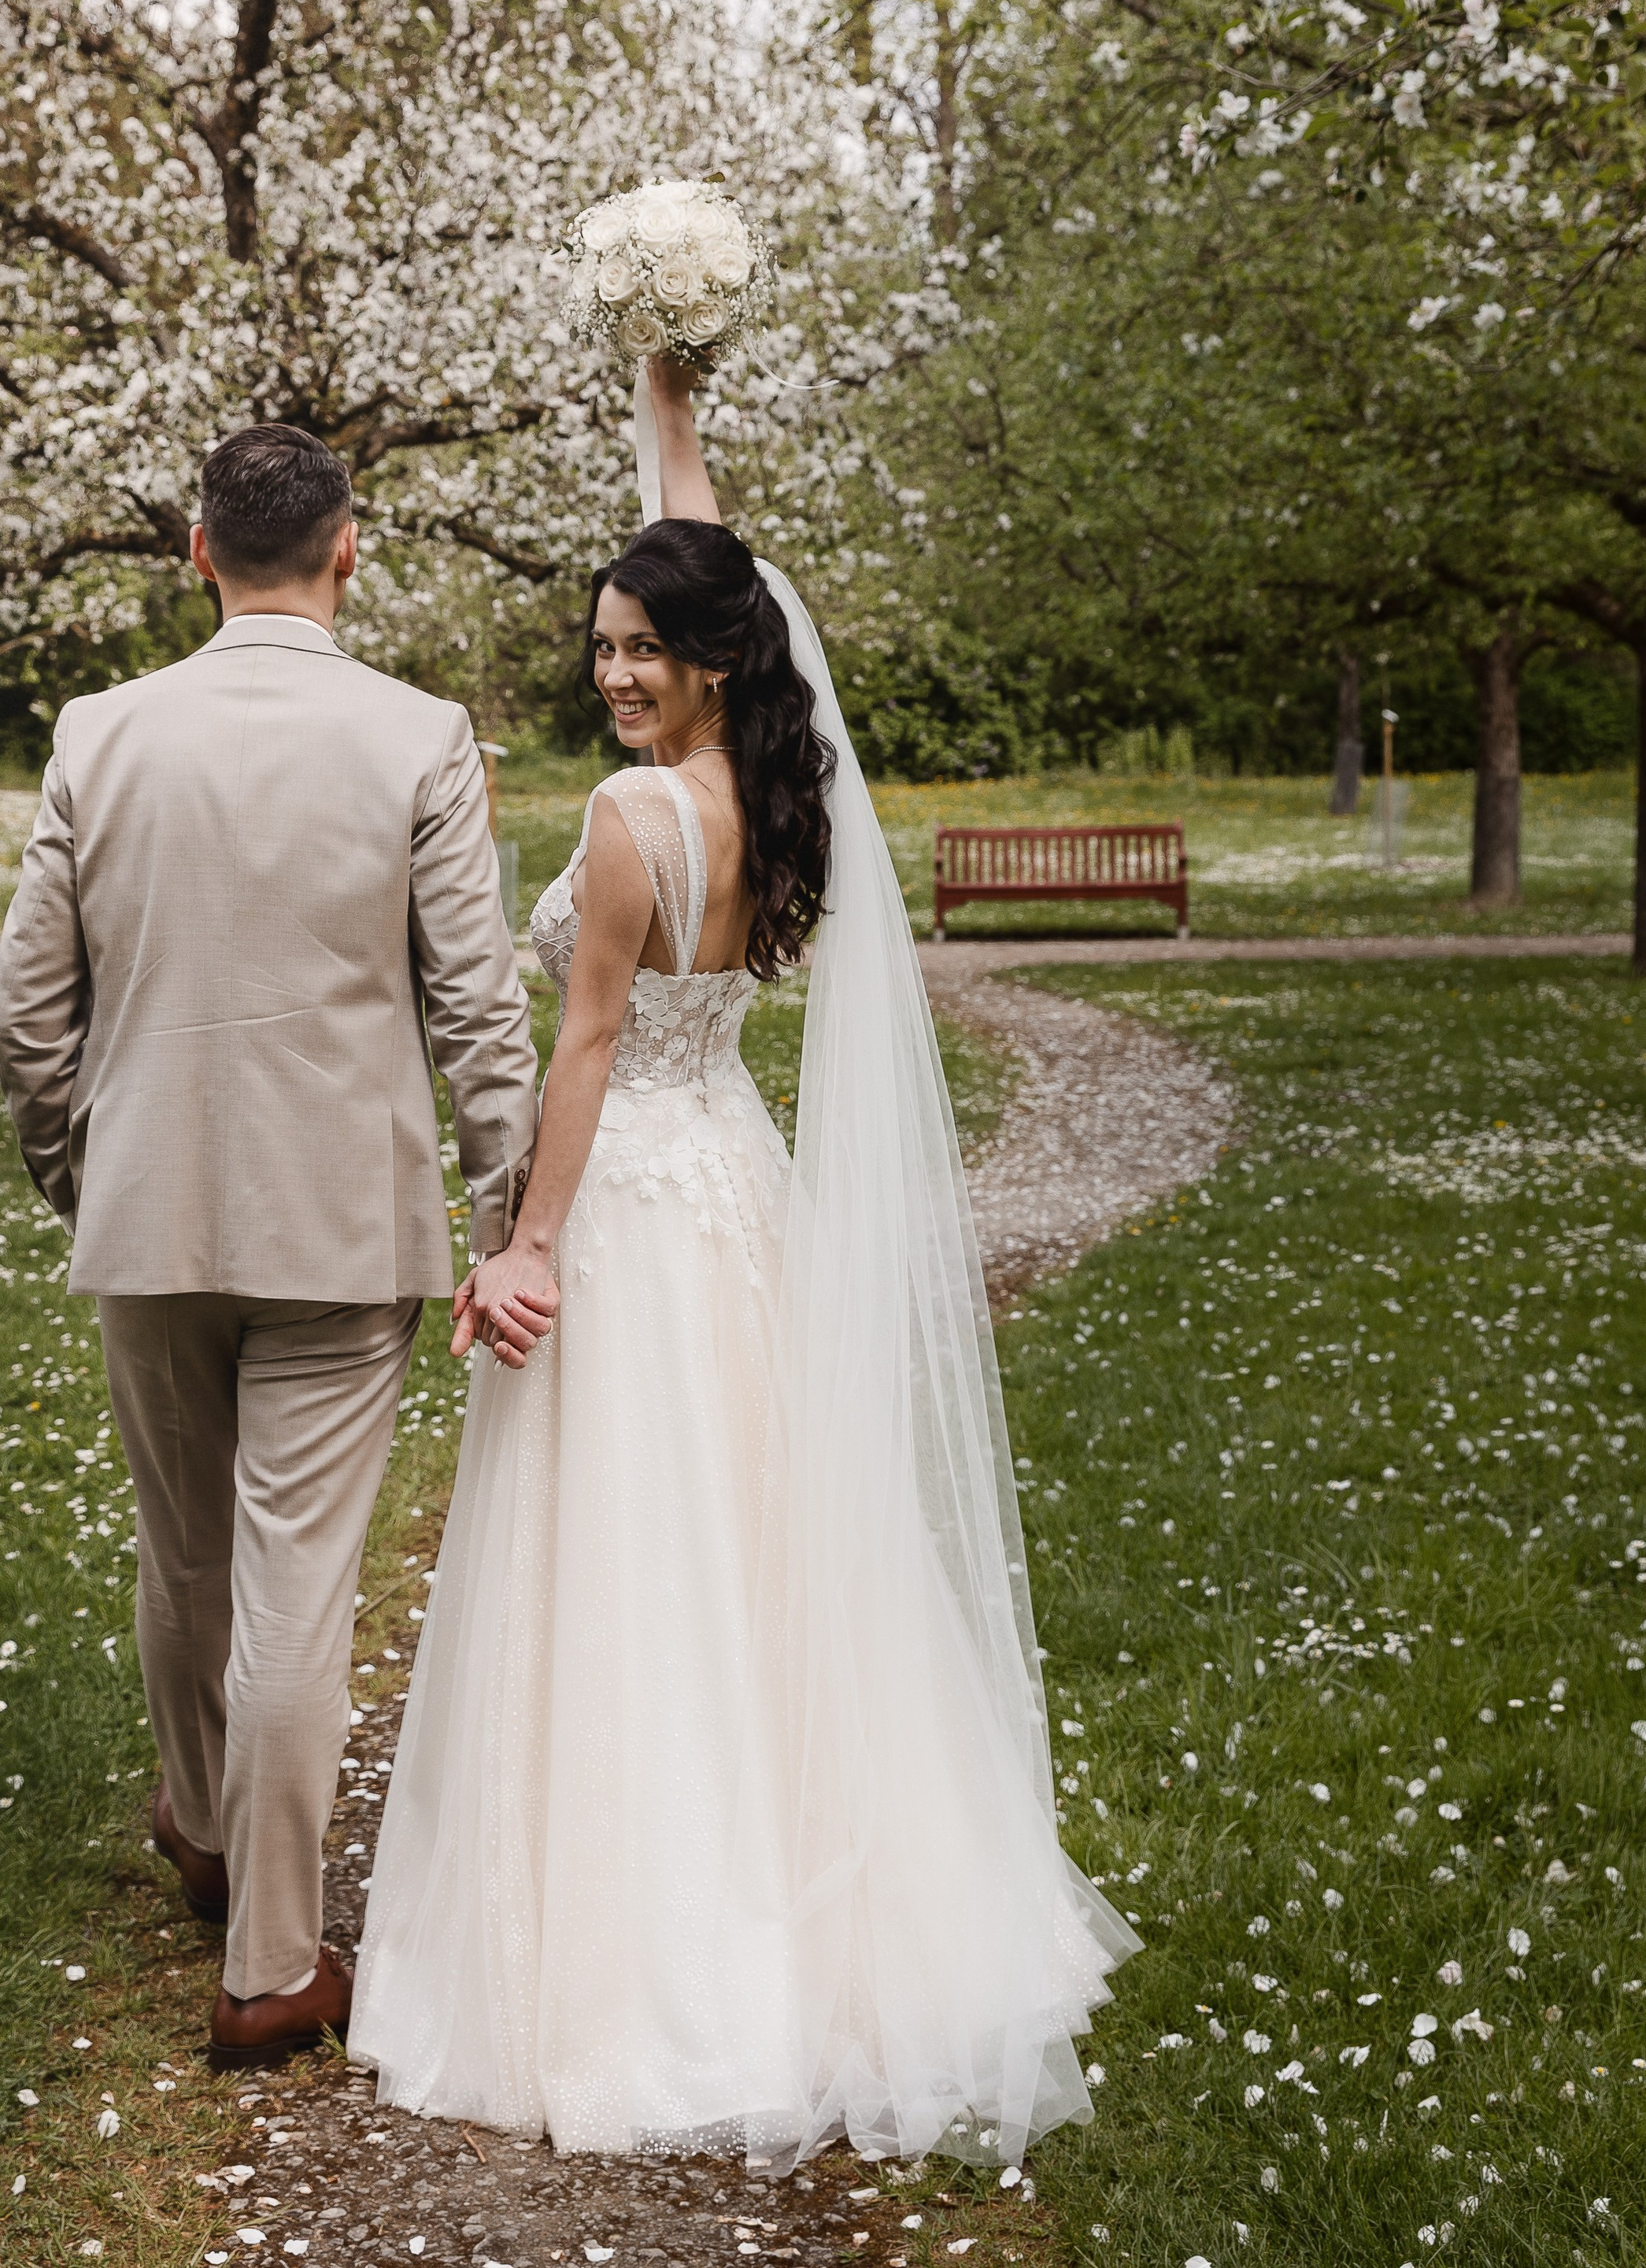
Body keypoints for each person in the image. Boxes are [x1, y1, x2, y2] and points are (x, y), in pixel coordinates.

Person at [349, 358, 1134, 2167]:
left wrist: (527, 1248)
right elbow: (712, 559)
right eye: (599, 645)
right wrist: (663, 406)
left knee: (630, 1554)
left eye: (641, 647)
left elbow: (585, 1049)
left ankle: (648, 1964)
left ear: (710, 657)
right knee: (752, 1543)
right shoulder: (792, 792)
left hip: (634, 1201)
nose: (611, 672)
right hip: (736, 1182)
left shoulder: (630, 821)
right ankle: (815, 1915)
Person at [0, 424, 546, 2071]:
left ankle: (210, 1832)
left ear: (197, 551)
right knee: (295, 1585)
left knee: (184, 1556)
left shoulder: (99, 732)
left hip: (148, 1212)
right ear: (348, 549)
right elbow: (478, 1013)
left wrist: (83, 1173)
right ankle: (272, 1962)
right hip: (341, 1233)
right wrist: (504, 1222)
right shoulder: (419, 737)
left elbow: (24, 1013)